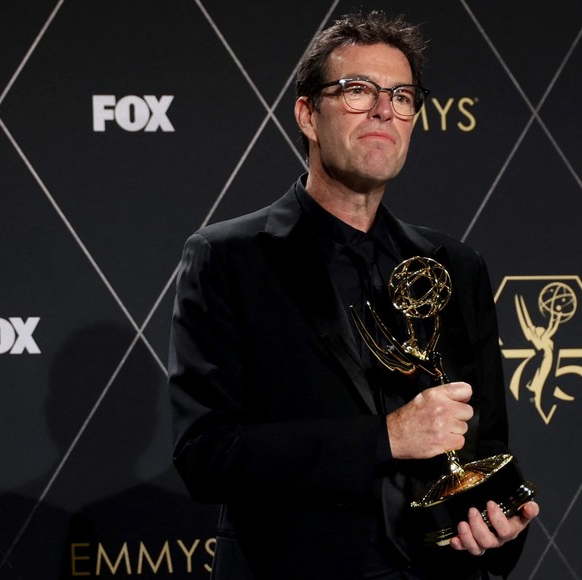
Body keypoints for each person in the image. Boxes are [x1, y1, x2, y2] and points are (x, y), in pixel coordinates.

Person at [167, 10, 539, 579]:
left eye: (402, 96)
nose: (384, 110)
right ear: (307, 115)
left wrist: (496, 528)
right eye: (358, 90)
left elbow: (482, 447)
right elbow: (207, 456)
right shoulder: (229, 258)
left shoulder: (455, 266)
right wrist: (385, 438)